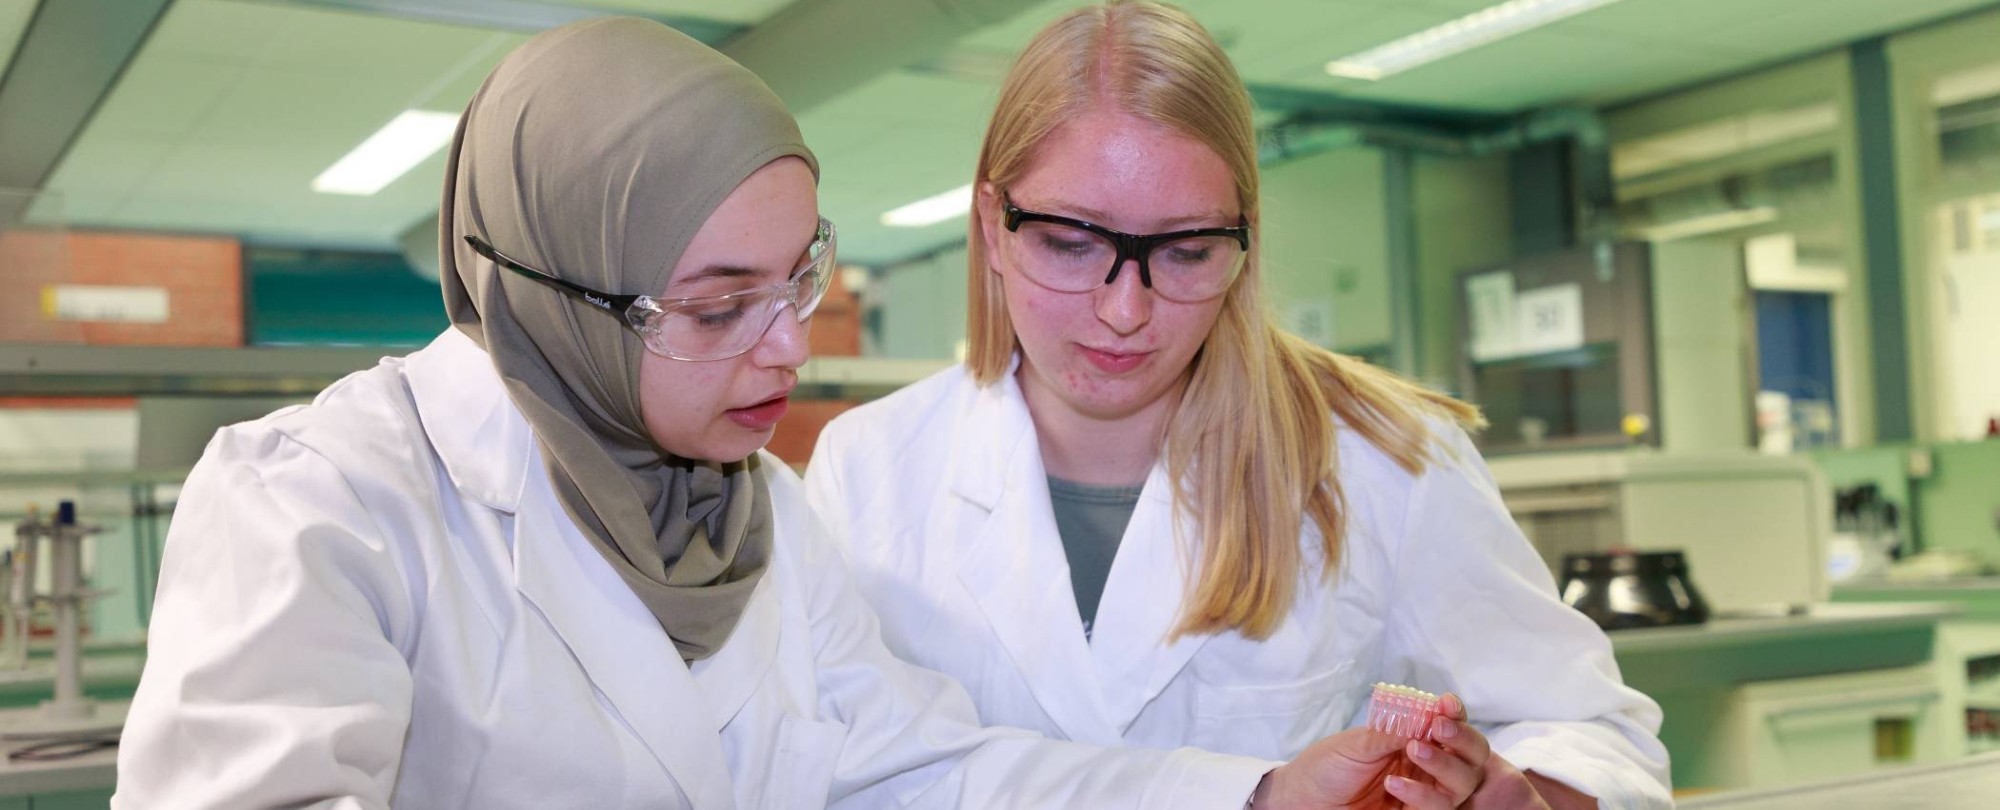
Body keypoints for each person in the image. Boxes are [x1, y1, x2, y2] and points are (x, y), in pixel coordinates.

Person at [112, 16, 1407, 810]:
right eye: (717, 305)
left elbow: (923, 770)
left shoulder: (764, 519)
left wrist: (1255, 793)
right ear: (551, 292)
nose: (788, 347)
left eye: (798, 278)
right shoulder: (326, 501)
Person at [803, 2, 1674, 809]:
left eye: (1186, 251)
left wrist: (1526, 794)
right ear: (993, 223)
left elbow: (1595, 729)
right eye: (1071, 244)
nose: (1125, 309)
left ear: (1245, 237)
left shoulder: (1380, 453)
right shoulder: (868, 469)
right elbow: (828, 768)